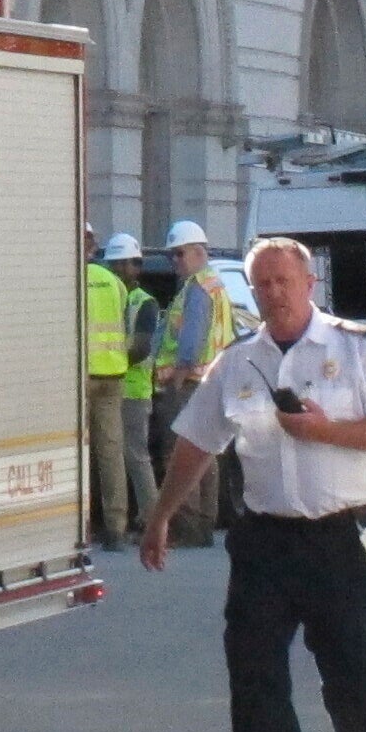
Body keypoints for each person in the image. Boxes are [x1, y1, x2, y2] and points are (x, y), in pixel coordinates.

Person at [138, 234, 366, 732]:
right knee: (253, 667)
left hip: (340, 538)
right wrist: (161, 515)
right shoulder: (239, 361)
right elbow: (196, 443)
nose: (273, 293)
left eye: (283, 282)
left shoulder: (356, 348)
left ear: (308, 285)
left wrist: (328, 431)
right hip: (265, 539)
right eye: (263, 284)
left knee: (351, 669)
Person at [152, 223, 235, 545]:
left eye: (179, 253)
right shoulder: (215, 284)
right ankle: (202, 525)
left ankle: (187, 529)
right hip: (209, 382)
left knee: (179, 455)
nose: (175, 261)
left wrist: (178, 376)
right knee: (205, 453)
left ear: (199, 252)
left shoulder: (198, 288)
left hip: (189, 384)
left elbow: (191, 339)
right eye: (172, 255)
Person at [84, 229, 135, 543]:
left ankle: (83, 525)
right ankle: (116, 528)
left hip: (83, 375)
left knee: (79, 453)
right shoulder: (114, 281)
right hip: (113, 375)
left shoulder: (72, 279)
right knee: (111, 453)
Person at [117, 242, 164, 537]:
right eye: (116, 263)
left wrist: (111, 364)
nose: (121, 269)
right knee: (118, 456)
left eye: (126, 263)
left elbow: (143, 348)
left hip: (133, 389)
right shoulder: (114, 293)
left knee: (135, 455)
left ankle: (150, 518)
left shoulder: (143, 301)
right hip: (116, 385)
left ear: (137, 267)